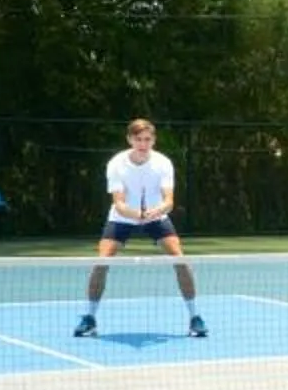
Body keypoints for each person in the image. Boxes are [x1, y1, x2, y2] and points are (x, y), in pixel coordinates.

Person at [76, 118, 205, 339]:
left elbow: (169, 201)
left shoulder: (163, 163)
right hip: (122, 217)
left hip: (156, 216)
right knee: (101, 262)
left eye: (147, 139)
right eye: (138, 139)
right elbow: (118, 203)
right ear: (130, 140)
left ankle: (195, 317)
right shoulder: (116, 163)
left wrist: (156, 211)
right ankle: (89, 318)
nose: (143, 144)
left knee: (180, 260)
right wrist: (137, 215)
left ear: (153, 140)